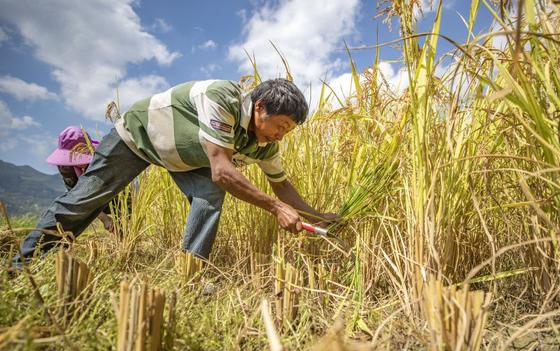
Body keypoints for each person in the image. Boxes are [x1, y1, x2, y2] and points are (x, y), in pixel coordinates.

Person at [11, 78, 339, 270]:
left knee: (209, 196)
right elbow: (223, 172)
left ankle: (191, 273)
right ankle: (23, 264)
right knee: (84, 200)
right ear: (259, 107)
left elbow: (282, 185)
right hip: (138, 137)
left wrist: (317, 216)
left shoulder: (265, 146)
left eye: (288, 131)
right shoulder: (222, 97)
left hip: (184, 158)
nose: (281, 135)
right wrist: (275, 208)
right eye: (280, 125)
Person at [46, 126, 115, 232]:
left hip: (110, 195)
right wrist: (104, 219)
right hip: (87, 201)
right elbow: (78, 196)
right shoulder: (65, 167)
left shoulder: (101, 159)